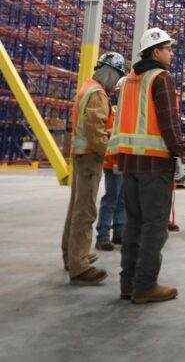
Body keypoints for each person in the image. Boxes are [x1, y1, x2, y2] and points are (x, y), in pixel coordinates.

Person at [108, 27, 185, 304]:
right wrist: (181, 152)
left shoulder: (128, 80)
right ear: (156, 51)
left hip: (129, 161)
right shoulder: (161, 77)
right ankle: (145, 285)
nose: (172, 53)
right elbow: (169, 121)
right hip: (154, 163)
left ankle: (128, 284)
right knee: (154, 226)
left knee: (133, 223)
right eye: (168, 49)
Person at [61, 51, 126, 284]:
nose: (116, 83)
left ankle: (72, 255)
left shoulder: (87, 86)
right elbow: (94, 130)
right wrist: (112, 156)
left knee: (76, 208)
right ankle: (79, 267)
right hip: (89, 158)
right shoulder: (98, 93)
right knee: (86, 210)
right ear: (110, 72)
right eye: (117, 76)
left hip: (80, 156)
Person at [95, 75, 127, 251]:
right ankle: (103, 235)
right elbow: (103, 138)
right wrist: (111, 160)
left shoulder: (130, 114)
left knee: (123, 200)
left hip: (126, 163)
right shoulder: (111, 113)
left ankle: (119, 232)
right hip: (112, 164)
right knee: (111, 199)